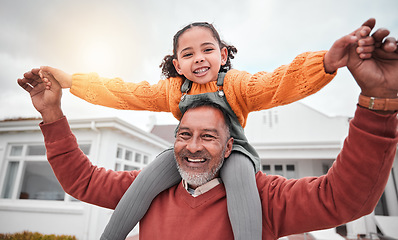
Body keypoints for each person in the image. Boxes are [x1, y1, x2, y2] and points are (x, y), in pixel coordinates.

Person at [18, 18, 398, 239]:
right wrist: (71, 84)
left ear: (224, 54)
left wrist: (325, 64)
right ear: (177, 64)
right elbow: (124, 93)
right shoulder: (170, 91)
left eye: (207, 50)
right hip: (170, 161)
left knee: (242, 193)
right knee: (140, 187)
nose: (199, 58)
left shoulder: (237, 86)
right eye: (188, 54)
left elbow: (279, 83)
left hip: (239, 160)